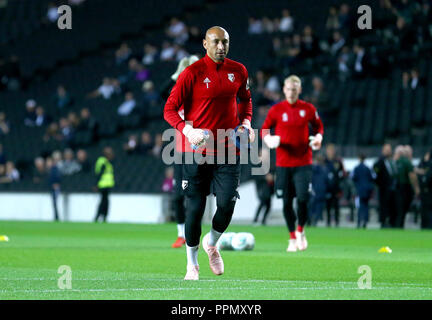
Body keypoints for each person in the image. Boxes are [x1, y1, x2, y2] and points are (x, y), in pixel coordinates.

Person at [164, 26, 254, 280]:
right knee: (194, 209)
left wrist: (246, 123)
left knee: (226, 204)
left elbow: (246, 100)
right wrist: (186, 130)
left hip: (228, 149)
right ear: (205, 44)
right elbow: (169, 109)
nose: (221, 47)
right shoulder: (191, 73)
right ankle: (191, 263)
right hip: (197, 151)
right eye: (216, 42)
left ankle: (212, 243)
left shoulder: (239, 71)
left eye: (225, 42)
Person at [261, 75, 324, 252]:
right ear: (284, 89)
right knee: (287, 202)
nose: (291, 92)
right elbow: (265, 129)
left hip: (303, 162)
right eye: (288, 89)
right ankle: (291, 237)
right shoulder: (276, 110)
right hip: (283, 164)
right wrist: (268, 139)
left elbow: (319, 126)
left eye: (294, 90)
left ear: (299, 90)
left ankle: (301, 230)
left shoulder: (308, 108)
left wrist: (318, 137)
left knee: (303, 199)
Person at [163, 55, 200, 249]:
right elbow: (162, 95)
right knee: (178, 196)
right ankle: (181, 233)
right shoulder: (178, 96)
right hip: (180, 153)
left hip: (198, 152)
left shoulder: (202, 96)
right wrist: (178, 73)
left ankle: (194, 233)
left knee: (194, 195)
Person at [394, 145, 420, 228]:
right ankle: (400, 225)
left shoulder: (396, 162)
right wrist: (416, 188)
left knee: (398, 208)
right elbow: (412, 175)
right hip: (405, 188)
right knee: (403, 208)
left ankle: (397, 225)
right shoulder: (407, 162)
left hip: (396, 188)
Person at [373, 143, 398, 228]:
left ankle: (390, 221)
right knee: (384, 205)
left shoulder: (392, 161)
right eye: (387, 150)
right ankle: (383, 222)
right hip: (383, 188)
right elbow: (375, 173)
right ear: (383, 150)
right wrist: (380, 183)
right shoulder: (380, 161)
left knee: (391, 205)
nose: (388, 151)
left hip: (392, 188)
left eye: (389, 150)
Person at [351, 154, 375, 229]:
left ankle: (359, 221)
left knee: (360, 206)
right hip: (367, 190)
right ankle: (365, 221)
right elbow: (372, 178)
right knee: (366, 206)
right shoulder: (368, 168)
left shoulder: (356, 168)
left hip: (360, 190)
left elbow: (353, 178)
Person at [324, 144, 345, 227]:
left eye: (332, 150)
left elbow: (343, 173)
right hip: (327, 187)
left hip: (336, 187)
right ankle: (328, 222)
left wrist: (340, 182)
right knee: (328, 205)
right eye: (329, 150)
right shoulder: (325, 161)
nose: (330, 152)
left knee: (336, 205)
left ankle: (336, 221)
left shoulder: (338, 161)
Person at [94, 147, 115, 222]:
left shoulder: (107, 162)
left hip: (107, 185)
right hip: (103, 185)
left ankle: (102, 216)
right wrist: (96, 184)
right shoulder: (103, 161)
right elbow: (99, 174)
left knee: (105, 201)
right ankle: (99, 216)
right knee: (104, 201)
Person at [416, 150, 432, 229]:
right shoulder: (424, 164)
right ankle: (425, 225)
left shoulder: (429, 164)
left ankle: (428, 226)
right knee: (425, 210)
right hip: (425, 192)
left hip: (428, 191)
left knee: (428, 210)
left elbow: (427, 176)